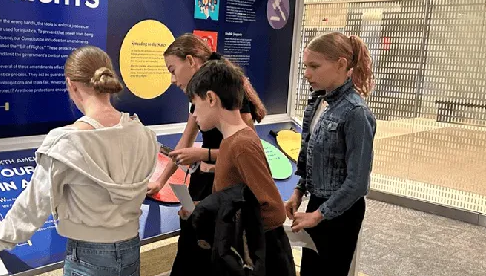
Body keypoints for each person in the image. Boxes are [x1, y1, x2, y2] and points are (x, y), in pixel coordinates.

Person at [0, 46, 159, 276]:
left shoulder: (66, 142)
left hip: (87, 257)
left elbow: (33, 205)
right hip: (130, 249)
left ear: (71, 85)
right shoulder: (144, 134)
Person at [147, 33, 266, 275]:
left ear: (190, 61)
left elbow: (248, 150)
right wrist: (160, 181)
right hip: (203, 189)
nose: (172, 79)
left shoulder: (227, 93)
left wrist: (203, 154)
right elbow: (184, 144)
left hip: (223, 192)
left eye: (173, 69)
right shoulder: (198, 96)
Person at [183, 60, 296, 275]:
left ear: (210, 98)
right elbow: (238, 194)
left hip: (262, 259)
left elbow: (273, 210)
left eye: (194, 104)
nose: (194, 114)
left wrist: (228, 228)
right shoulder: (230, 141)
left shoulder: (242, 145)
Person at [284, 32, 376, 276]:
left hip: (341, 213)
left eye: (314, 66)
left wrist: (319, 215)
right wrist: (298, 191)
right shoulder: (317, 103)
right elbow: (309, 156)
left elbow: (357, 183)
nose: (307, 74)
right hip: (316, 205)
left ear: (341, 64)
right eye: (306, 66)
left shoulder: (356, 113)